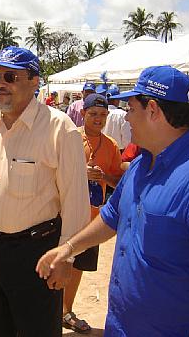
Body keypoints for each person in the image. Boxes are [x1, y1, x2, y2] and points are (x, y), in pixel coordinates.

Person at [36, 66, 189, 336]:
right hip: (120, 325)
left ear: (152, 110)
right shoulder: (142, 162)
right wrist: (68, 248)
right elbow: (111, 216)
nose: (126, 118)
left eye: (130, 109)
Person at [0, 46, 91, 336]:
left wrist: (66, 258)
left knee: (37, 330)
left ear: (34, 82)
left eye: (10, 76)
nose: (0, 84)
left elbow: (75, 200)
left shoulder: (59, 128)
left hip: (38, 252)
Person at [62, 93, 123, 334]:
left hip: (90, 218)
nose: (98, 119)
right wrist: (80, 174)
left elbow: (117, 179)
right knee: (56, 262)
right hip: (63, 214)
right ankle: (48, 310)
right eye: (93, 114)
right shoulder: (69, 138)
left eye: (103, 115)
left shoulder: (110, 145)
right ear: (83, 113)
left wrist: (103, 177)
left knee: (77, 266)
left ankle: (66, 311)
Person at [102, 84, 131, 151]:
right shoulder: (122, 114)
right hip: (118, 151)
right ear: (117, 100)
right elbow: (127, 139)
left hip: (102, 149)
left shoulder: (100, 113)